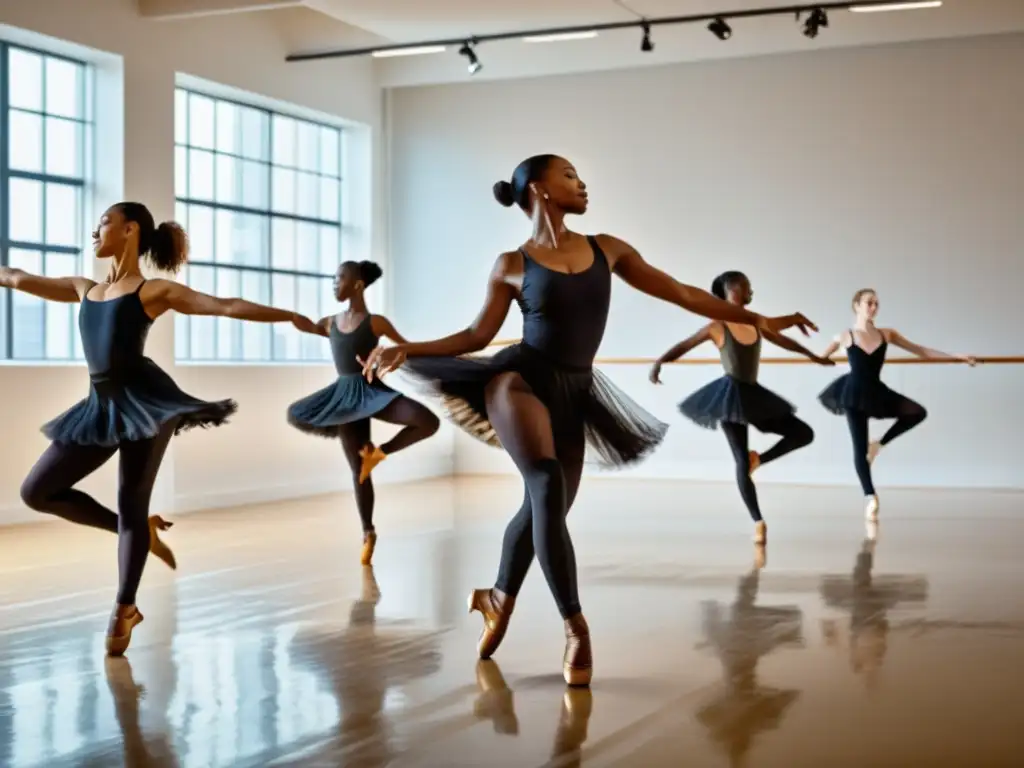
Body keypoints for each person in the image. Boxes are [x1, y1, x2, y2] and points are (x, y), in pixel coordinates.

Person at [359, 154, 816, 687]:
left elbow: (685, 293)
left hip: (576, 391)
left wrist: (757, 318)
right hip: (519, 381)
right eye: (571, 175)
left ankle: (497, 597)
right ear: (540, 189)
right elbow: (477, 338)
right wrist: (407, 348)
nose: (583, 183)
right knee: (546, 484)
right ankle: (576, 626)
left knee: (543, 508)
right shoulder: (511, 264)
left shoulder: (608, 249)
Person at [2, 202, 317, 656]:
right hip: (100, 404)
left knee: (133, 500)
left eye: (104, 223)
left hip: (148, 403)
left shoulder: (153, 291)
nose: (95, 231)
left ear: (130, 230)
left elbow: (224, 306)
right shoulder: (81, 288)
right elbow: (14, 277)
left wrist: (288, 316)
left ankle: (124, 606)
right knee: (37, 491)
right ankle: (135, 532)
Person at [652, 271, 832, 544]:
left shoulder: (756, 323)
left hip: (755, 396)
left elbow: (783, 336)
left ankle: (758, 459)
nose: (751, 291)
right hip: (729, 398)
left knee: (803, 433)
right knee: (738, 458)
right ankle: (758, 521)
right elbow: (685, 344)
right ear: (732, 290)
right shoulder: (717, 326)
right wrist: (660, 362)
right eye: (746, 286)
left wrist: (811, 353)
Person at [288, 260, 440, 564]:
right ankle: (368, 532)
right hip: (344, 399)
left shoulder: (376, 323)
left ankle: (379, 453)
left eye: (339, 278)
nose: (334, 283)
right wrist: (288, 316)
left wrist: (404, 356)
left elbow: (407, 348)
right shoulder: (330, 322)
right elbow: (308, 325)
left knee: (427, 421)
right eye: (333, 279)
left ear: (357, 284)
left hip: (371, 391)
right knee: (358, 473)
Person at [818, 288, 975, 521]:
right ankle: (870, 496)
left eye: (876, 304)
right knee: (858, 449)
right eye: (869, 303)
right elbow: (821, 358)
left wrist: (955, 357)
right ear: (856, 306)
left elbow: (920, 351)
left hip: (876, 391)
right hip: (852, 394)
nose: (873, 307)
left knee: (916, 412)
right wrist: (822, 358)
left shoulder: (887, 334)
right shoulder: (846, 335)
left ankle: (878, 445)